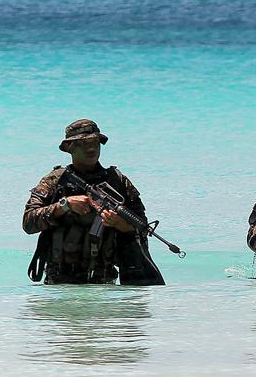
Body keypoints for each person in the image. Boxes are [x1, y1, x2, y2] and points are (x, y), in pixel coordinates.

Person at [23, 119, 163, 285]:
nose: (91, 149)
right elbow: (28, 223)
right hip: (61, 283)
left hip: (104, 281)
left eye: (95, 143)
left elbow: (142, 226)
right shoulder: (54, 181)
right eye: (83, 144)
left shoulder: (117, 181)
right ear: (70, 148)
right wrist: (64, 205)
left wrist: (120, 223)